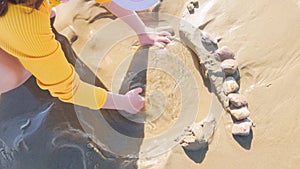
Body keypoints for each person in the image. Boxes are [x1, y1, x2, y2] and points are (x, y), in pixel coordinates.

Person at [0, 0, 171, 114]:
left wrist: (142, 31)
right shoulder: (26, 28)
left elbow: (108, 1)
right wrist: (124, 103)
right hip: (15, 22)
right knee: (17, 72)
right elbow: (69, 90)